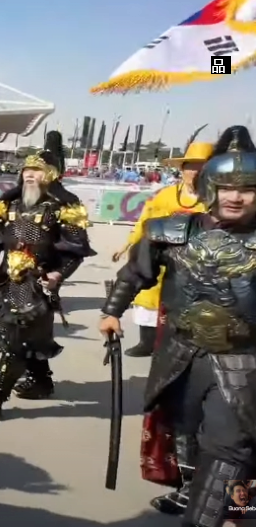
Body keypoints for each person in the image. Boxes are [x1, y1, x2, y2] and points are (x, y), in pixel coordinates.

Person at [100, 125, 256, 527]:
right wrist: (112, 312)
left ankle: (223, 516)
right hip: (184, 354)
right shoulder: (173, 229)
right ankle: (217, 501)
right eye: (226, 187)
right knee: (186, 430)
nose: (235, 197)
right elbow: (135, 273)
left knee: (231, 445)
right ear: (210, 188)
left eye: (248, 188)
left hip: (245, 359)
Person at [0, 139, 94, 421]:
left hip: (38, 285)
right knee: (19, 337)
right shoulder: (9, 203)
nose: (30, 175)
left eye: (37, 170)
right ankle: (41, 381)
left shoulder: (65, 207)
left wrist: (59, 274)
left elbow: (76, 251)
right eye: (26, 170)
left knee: (18, 341)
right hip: (8, 282)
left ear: (51, 174)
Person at [111, 141, 213, 359]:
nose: (195, 172)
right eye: (191, 166)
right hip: (160, 256)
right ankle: (146, 342)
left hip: (196, 263)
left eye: (201, 166)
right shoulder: (165, 196)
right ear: (182, 169)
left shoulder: (216, 201)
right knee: (147, 299)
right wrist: (127, 244)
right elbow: (145, 223)